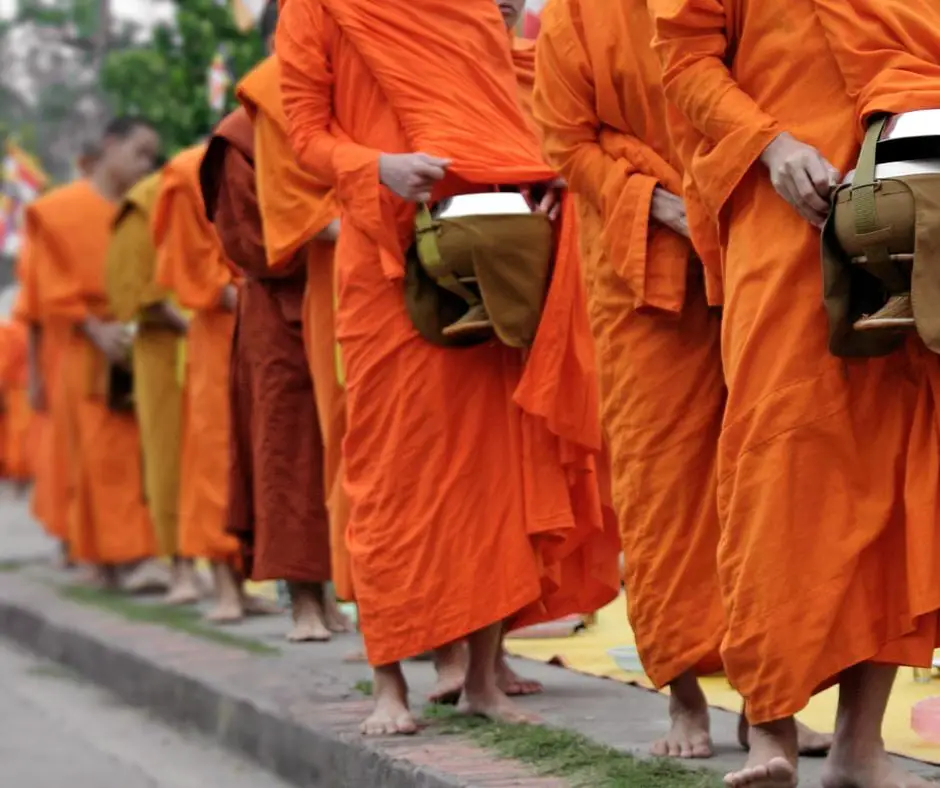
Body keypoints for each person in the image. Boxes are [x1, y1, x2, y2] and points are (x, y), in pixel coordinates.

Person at [277, 0, 619, 734]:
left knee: (494, 471)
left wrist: (541, 179)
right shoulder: (317, 7)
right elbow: (305, 133)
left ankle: (482, 680)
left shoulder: (470, 5)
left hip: (483, 254)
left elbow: (501, 116)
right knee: (390, 474)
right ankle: (388, 686)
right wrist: (378, 166)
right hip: (382, 263)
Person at [531, 0, 832, 764]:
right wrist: (652, 202)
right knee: (661, 483)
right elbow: (564, 139)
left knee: (765, 474)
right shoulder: (573, 15)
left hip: (745, 232)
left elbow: (752, 84)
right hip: (639, 273)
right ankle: (685, 699)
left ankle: (772, 701)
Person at [649, 0, 940, 785]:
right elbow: (681, 58)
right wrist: (770, 147)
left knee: (895, 476)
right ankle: (770, 733)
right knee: (776, 460)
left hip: (915, 205)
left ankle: (858, 744)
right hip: (786, 213)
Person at [17, 117, 161, 586]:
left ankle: (135, 555)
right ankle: (123, 558)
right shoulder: (57, 211)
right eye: (139, 153)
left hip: (143, 337)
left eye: (151, 158)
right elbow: (45, 293)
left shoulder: (146, 207)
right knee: (103, 453)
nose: (146, 165)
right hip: (82, 345)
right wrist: (95, 330)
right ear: (110, 144)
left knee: (143, 452)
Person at [154, 143, 278, 623]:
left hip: (274, 320)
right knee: (214, 454)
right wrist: (257, 295)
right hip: (222, 327)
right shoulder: (189, 171)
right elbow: (195, 267)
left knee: (268, 451)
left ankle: (250, 580)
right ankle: (225, 586)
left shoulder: (278, 151)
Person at [105, 167, 200, 605]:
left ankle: (226, 569)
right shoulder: (143, 203)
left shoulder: (205, 187)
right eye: (137, 152)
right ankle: (179, 564)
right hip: (163, 350)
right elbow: (142, 292)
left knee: (216, 456)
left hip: (209, 343)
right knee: (168, 459)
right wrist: (191, 325)